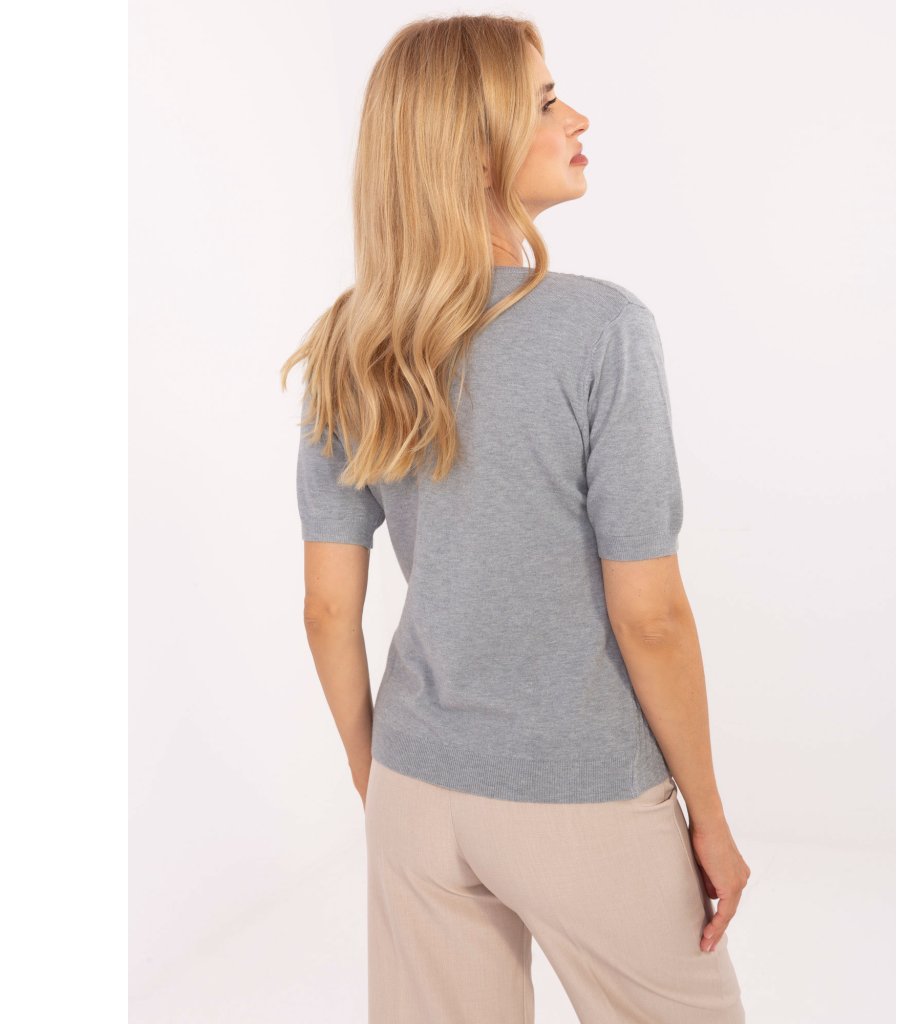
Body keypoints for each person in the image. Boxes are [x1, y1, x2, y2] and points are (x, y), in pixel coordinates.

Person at [280, 14, 749, 1024]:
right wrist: (707, 817)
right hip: (579, 791)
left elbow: (326, 610)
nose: (577, 117)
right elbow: (651, 615)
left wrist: (378, 778)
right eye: (543, 102)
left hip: (416, 787)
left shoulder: (351, 343)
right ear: (477, 144)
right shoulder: (602, 328)